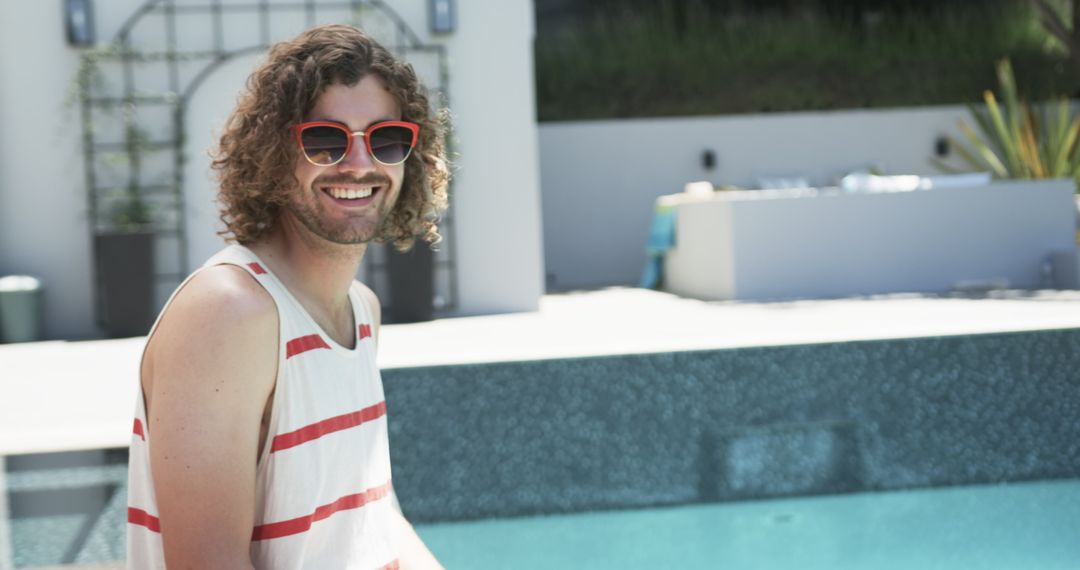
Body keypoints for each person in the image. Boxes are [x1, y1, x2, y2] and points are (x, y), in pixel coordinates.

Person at [126, 24, 449, 569]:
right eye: (325, 140)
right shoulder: (228, 313)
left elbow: (372, 519)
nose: (358, 163)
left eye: (386, 138)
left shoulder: (360, 313)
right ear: (274, 156)